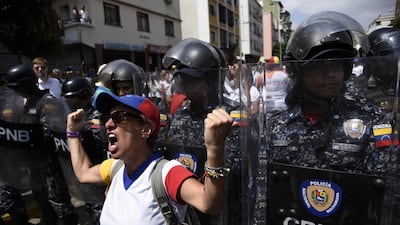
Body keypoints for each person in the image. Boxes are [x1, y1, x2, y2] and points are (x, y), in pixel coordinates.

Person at [261, 11, 399, 225]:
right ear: (299, 70)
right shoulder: (275, 126)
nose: (331, 73)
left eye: (336, 65)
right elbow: (263, 193)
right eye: (320, 65)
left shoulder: (371, 122)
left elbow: (387, 193)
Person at [65, 89, 233, 224]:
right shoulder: (116, 168)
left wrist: (215, 149)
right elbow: (83, 173)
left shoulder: (166, 173)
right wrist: (72, 132)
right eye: (106, 118)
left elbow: (210, 204)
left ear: (145, 130)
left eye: (118, 117)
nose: (108, 124)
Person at [159, 38, 252, 225]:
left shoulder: (232, 115)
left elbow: (237, 170)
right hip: (186, 209)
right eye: (183, 79)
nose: (186, 85)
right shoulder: (180, 115)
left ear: (211, 79)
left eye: (193, 79)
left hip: (222, 212)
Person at [2, 64, 78, 225]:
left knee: (59, 205)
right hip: (34, 163)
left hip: (51, 164)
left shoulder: (47, 102)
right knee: (42, 201)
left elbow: (49, 133)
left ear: (26, 85)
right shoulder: (29, 102)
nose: (16, 93)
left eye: (18, 88)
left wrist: (23, 138)